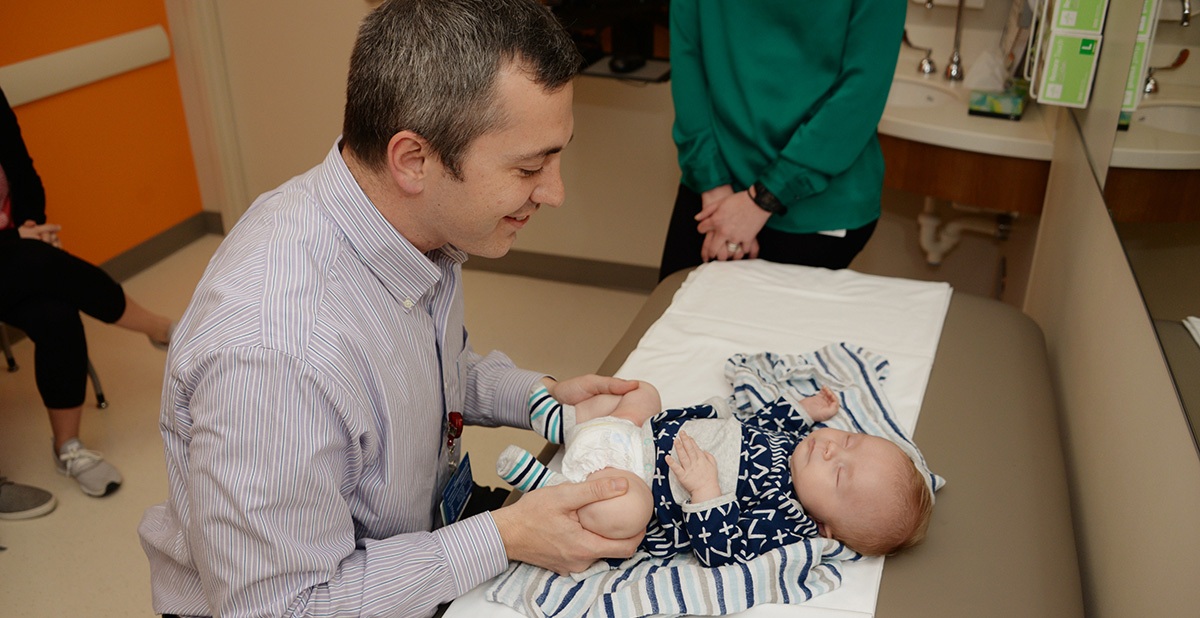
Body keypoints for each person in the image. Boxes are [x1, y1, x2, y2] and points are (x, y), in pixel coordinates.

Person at [137, 2, 645, 617]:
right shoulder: (275, 356)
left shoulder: (413, 227)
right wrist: (504, 535)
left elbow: (429, 370)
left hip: (412, 543)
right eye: (529, 167)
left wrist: (540, 399)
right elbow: (282, 607)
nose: (555, 192)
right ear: (413, 160)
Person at [499, 380, 932, 563]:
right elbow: (769, 424)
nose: (830, 450)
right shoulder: (797, 445)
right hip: (638, 433)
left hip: (637, 484)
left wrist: (706, 490)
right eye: (849, 442)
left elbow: (721, 552)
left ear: (828, 527)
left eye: (839, 475)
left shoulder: (788, 517)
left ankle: (554, 487)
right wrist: (803, 410)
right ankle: (566, 424)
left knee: (624, 512)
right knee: (642, 393)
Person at [1, 86, 175, 498]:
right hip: (12, 249)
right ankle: (162, 328)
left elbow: (25, 175)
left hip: (12, 252)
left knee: (56, 312)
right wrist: (17, 241)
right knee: (38, 262)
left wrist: (29, 227)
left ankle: (68, 447)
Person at [658, 1, 907, 281]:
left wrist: (760, 199)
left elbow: (858, 97)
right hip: (714, 196)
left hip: (812, 209)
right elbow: (687, 58)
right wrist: (713, 184)